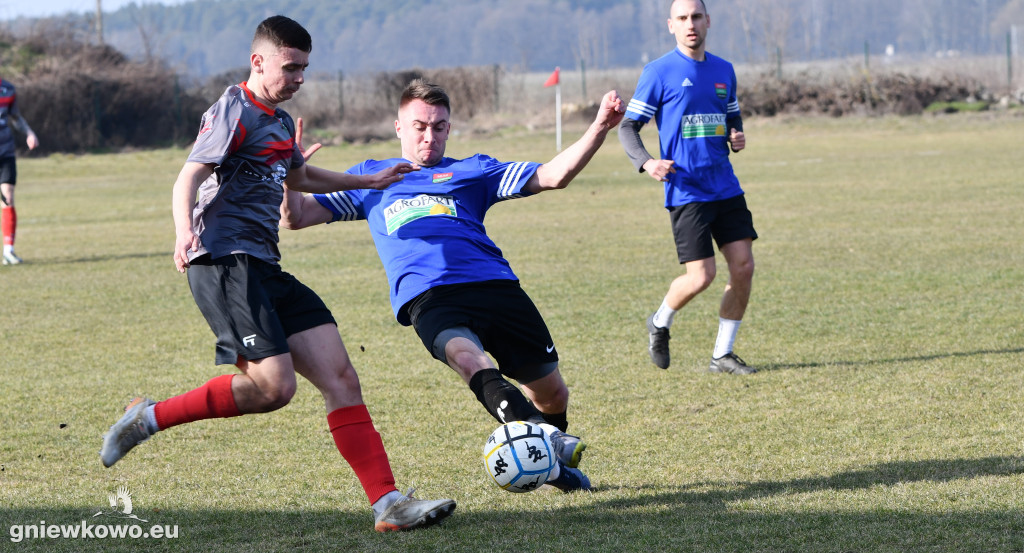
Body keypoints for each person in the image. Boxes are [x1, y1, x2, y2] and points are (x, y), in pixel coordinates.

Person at [99, 16, 455, 533]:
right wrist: (183, 232)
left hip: (265, 265)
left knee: (340, 376)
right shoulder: (234, 110)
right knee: (274, 389)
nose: (299, 78)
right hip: (223, 263)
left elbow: (299, 175)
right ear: (258, 61)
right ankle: (148, 417)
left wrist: (369, 179)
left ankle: (389, 504)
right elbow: (189, 175)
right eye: (291, 67)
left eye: (305, 68)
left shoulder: (280, 122)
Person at [281, 79, 626, 492]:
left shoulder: (473, 170)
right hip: (428, 296)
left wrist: (600, 127)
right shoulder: (370, 178)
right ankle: (549, 441)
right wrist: (290, 171)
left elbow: (553, 176)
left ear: (449, 127)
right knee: (468, 359)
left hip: (497, 287)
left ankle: (551, 453)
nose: (430, 135)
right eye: (420, 126)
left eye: (439, 127)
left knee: (552, 394)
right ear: (398, 127)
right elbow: (295, 217)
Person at [619, 0, 757, 375]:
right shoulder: (659, 72)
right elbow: (628, 127)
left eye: (696, 16)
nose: (690, 24)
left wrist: (735, 134)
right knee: (702, 276)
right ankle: (660, 321)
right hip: (686, 190)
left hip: (725, 186)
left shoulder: (724, 70)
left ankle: (722, 355)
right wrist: (647, 162)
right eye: (682, 18)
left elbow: (730, 114)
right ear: (671, 25)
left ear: (708, 21)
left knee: (743, 267)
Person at [0, 76, 40, 265]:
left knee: (7, 197)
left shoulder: (8, 89)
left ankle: (8, 251)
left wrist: (29, 133)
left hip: (5, 152)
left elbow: (15, 117)